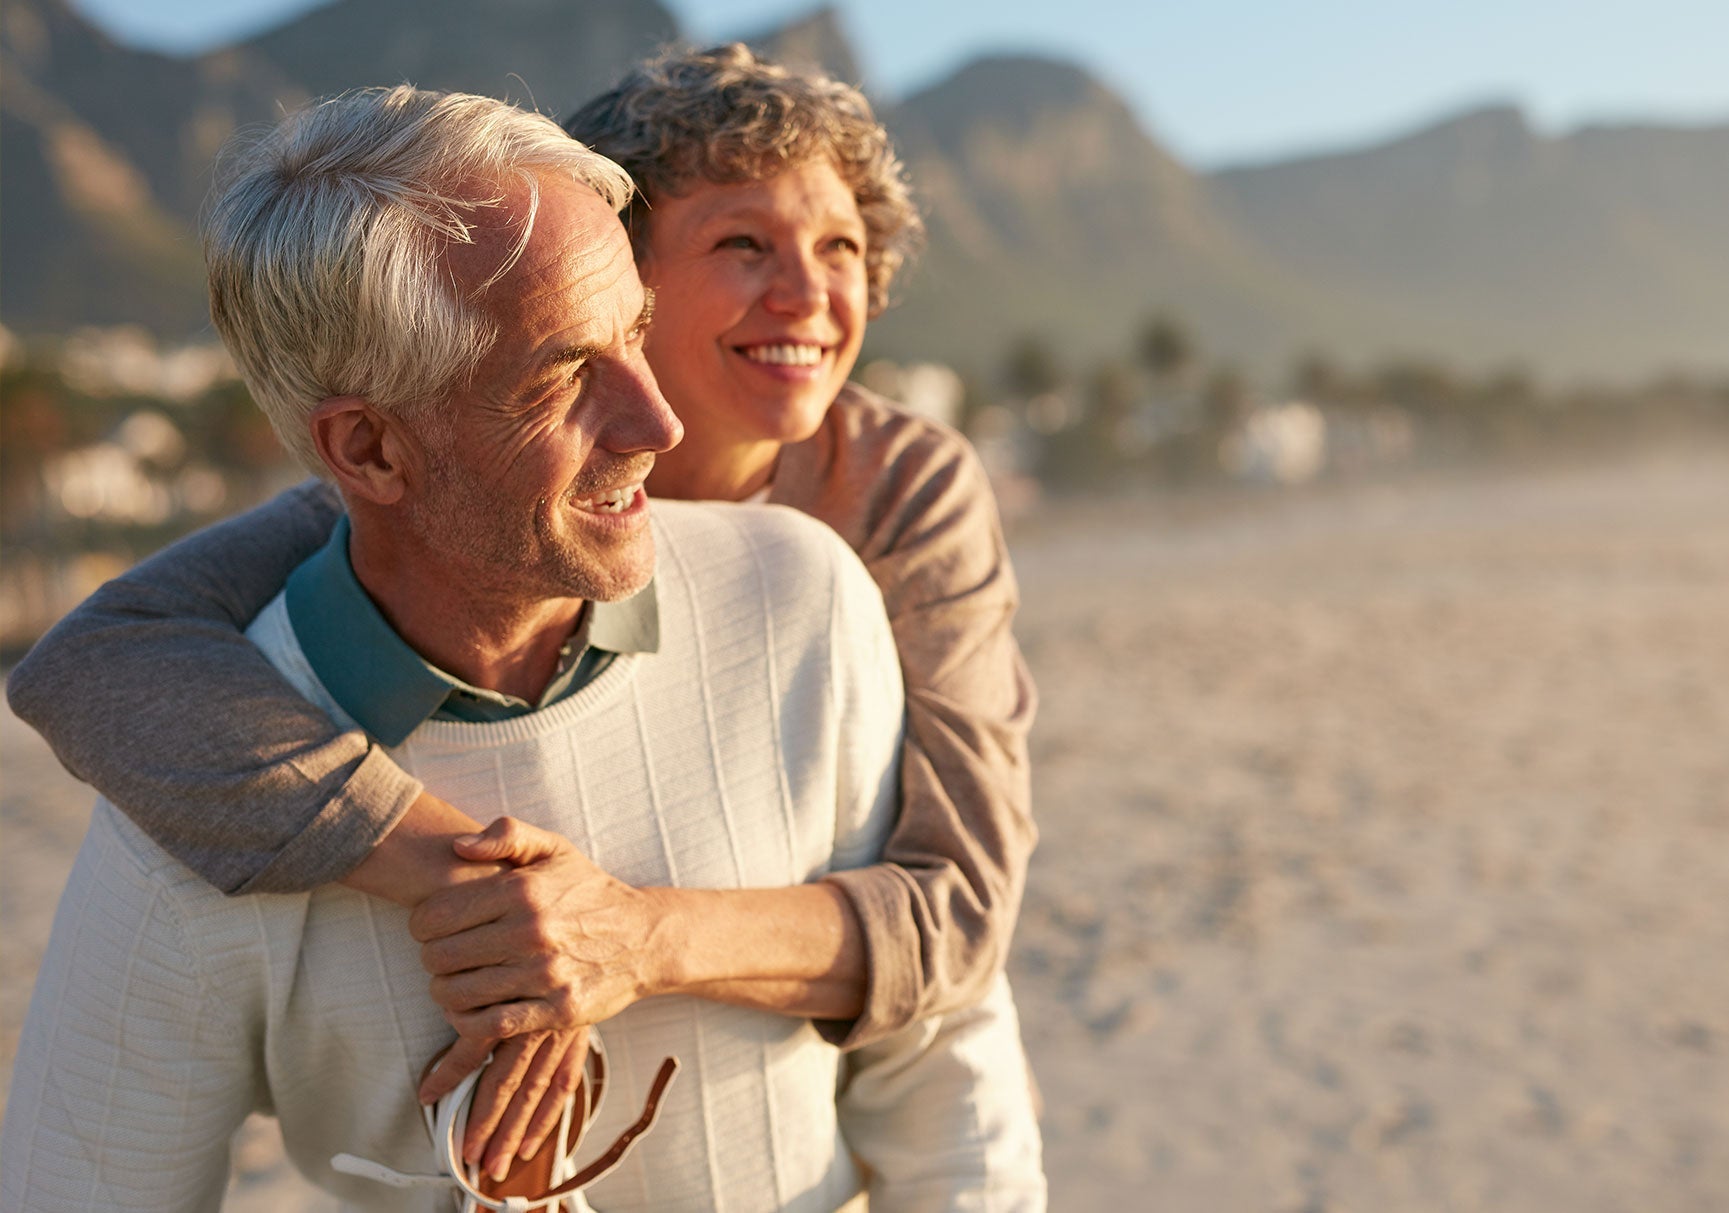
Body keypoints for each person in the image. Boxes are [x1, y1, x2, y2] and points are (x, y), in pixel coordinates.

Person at [9, 42, 1040, 1188]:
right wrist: (488, 892)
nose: (657, 425)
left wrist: (627, 938)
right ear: (369, 450)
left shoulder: (834, 568)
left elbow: (952, 955)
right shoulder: (198, 758)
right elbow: (92, 657)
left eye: (842, 246)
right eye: (563, 372)